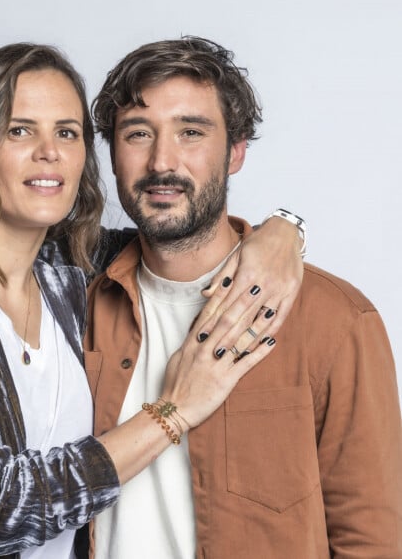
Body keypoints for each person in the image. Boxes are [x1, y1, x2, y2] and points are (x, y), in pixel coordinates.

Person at [0, 42, 304, 558]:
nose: (49, 151)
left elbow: (184, 238)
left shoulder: (76, 272)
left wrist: (283, 232)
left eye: (67, 133)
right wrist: (173, 410)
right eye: (19, 129)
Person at [83, 36, 402, 558]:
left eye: (191, 132)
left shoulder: (336, 321)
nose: (163, 161)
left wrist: (287, 227)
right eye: (138, 133)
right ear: (113, 155)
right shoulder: (75, 300)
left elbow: (371, 540)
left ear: (235, 152)